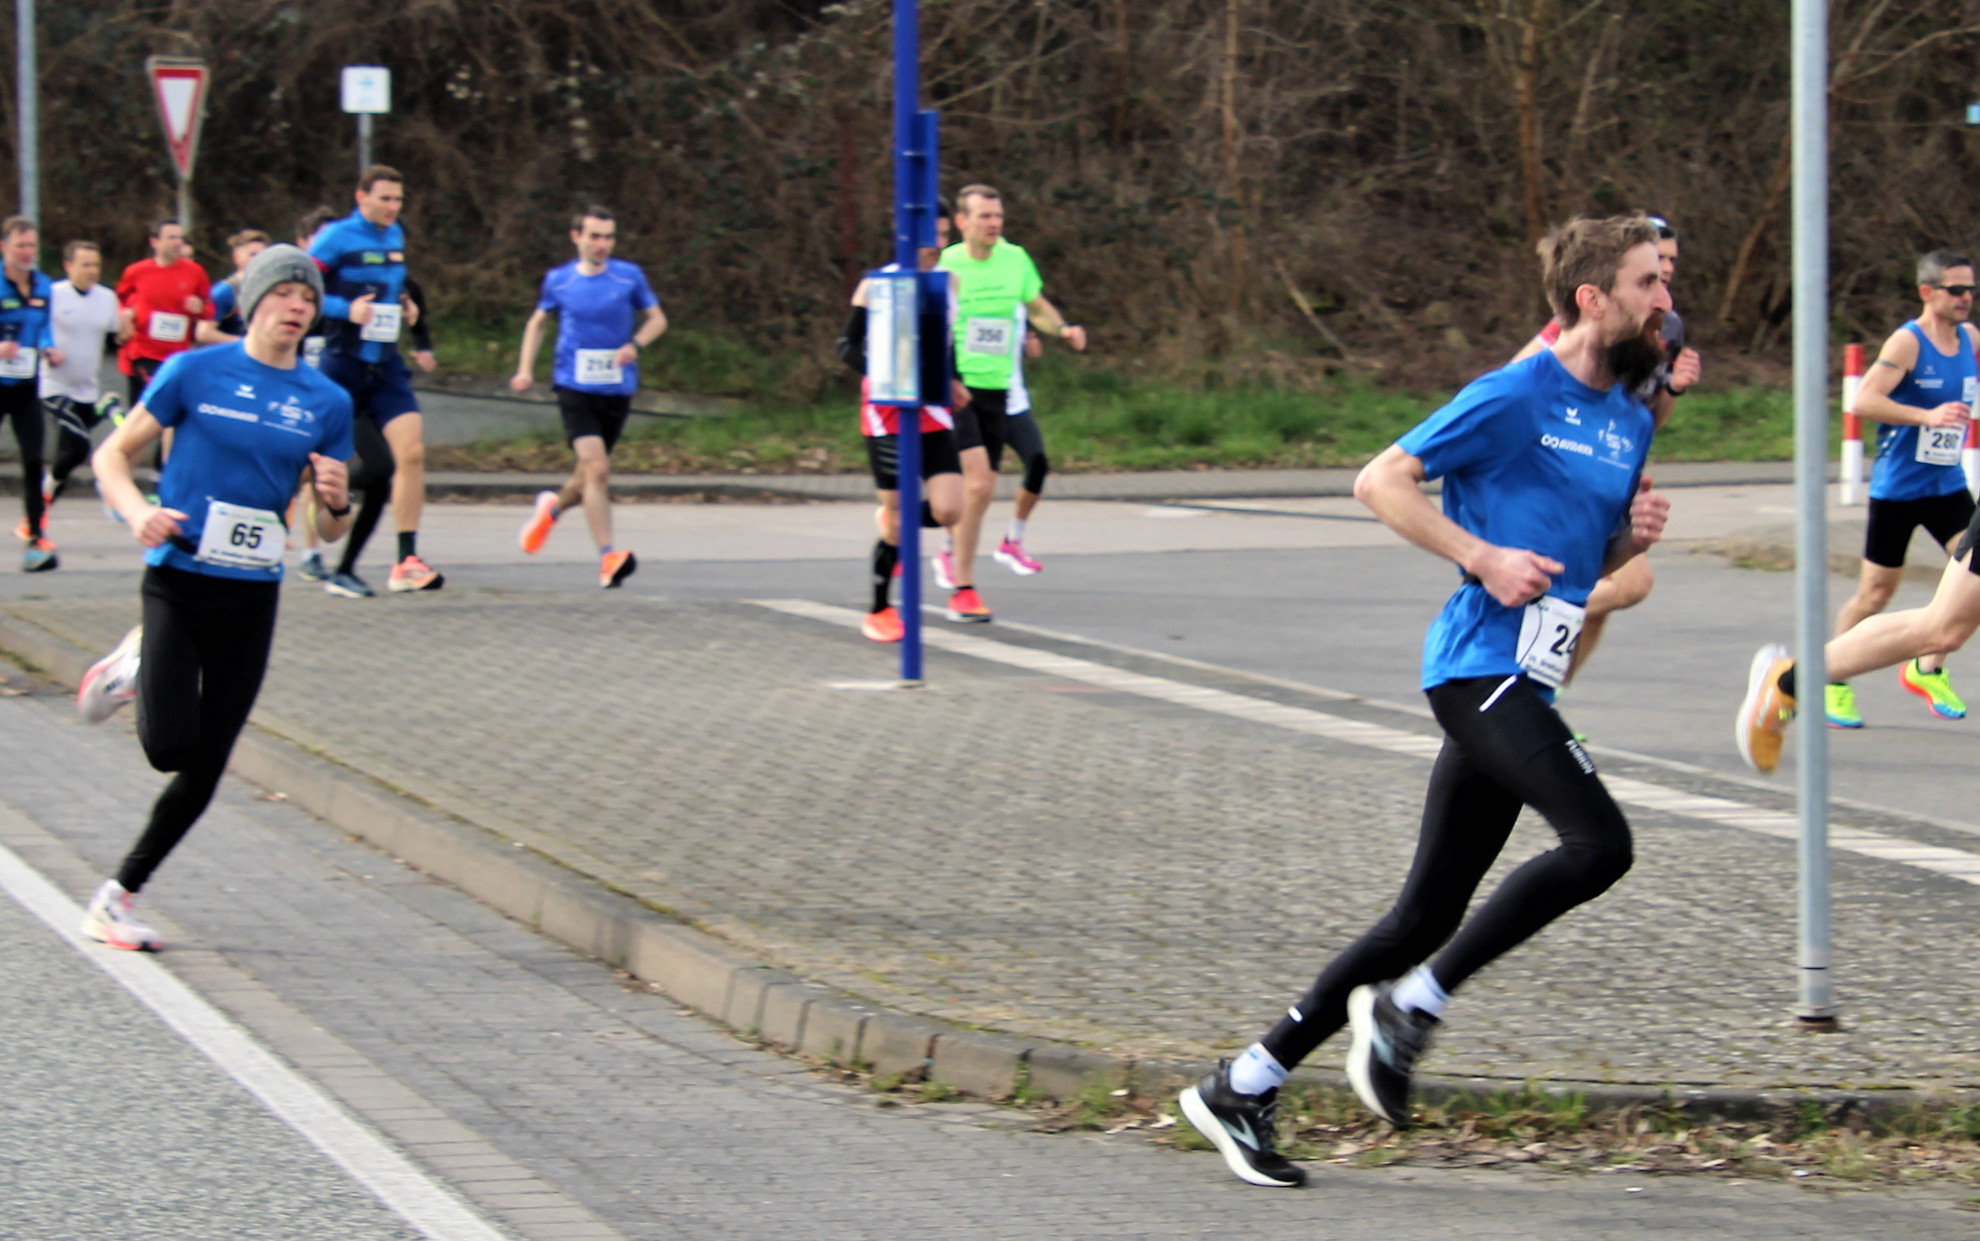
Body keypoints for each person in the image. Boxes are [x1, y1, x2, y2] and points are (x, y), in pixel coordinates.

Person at [1179, 215, 1671, 1188]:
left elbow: (1585, 558)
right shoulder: (1516, 394)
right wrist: (1478, 554)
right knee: (1600, 844)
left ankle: (1243, 1081)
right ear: (1592, 298)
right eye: (1649, 281)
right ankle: (1414, 1006)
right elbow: (1381, 479)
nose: (1666, 299)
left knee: (1418, 918)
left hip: (1526, 674)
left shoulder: (1630, 416)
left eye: (1666, 280)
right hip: (1474, 666)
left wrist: (1629, 539)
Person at [74, 245, 354, 950]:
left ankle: (118, 895)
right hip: (179, 578)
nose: (298, 307)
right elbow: (111, 454)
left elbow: (324, 524)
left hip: (254, 592)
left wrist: (335, 503)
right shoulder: (194, 371)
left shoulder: (327, 401)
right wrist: (136, 511)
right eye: (286, 293)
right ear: (256, 300)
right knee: (170, 747)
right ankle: (129, 665)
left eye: (308, 299)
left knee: (208, 762)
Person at [1510, 214, 1701, 685]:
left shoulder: (1665, 325)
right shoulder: (1591, 320)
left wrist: (1672, 389)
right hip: (1567, 469)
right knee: (1630, 583)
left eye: (1672, 261)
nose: (1668, 269)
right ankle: (1519, 624)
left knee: (1597, 610)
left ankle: (1539, 696)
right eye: (1658, 261)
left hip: (1609, 476)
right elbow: (1518, 375)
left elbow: (1647, 419)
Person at [1820, 250, 1978, 728]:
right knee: (1875, 594)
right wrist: (1926, 416)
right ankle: (1829, 680)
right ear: (1927, 292)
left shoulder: (1970, 338)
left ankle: (1926, 667)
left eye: (1971, 289)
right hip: (1899, 491)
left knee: (1969, 589)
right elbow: (1863, 399)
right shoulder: (1908, 343)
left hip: (1947, 485)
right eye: (1956, 290)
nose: (1966, 298)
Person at [934, 184, 1087, 622]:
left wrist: (1061, 329)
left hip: (999, 390)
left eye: (998, 215)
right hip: (957, 387)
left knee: (975, 496)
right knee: (979, 485)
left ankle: (935, 539)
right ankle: (963, 589)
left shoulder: (1015, 259)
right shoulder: (946, 264)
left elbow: (1035, 305)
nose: (994, 223)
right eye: (984, 216)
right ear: (962, 222)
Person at [511, 206, 667, 588]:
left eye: (608, 237)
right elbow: (537, 322)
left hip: (616, 389)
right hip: (573, 386)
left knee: (586, 478)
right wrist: (525, 369)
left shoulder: (628, 276)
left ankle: (552, 509)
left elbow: (658, 319)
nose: (602, 244)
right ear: (576, 237)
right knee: (597, 470)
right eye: (594, 236)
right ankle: (608, 558)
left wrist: (635, 344)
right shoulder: (559, 281)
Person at [309, 165, 442, 596]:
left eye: (398, 200)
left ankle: (406, 560)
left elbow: (395, 287)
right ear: (361, 196)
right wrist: (345, 310)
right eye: (384, 199)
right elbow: (302, 288)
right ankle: (326, 536)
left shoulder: (395, 236)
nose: (392, 208)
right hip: (342, 368)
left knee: (412, 454)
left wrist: (405, 308)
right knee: (370, 467)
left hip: (385, 367)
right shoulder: (335, 237)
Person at [837, 204, 968, 641]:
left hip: (931, 409)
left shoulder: (949, 283)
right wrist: (888, 369)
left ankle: (901, 518)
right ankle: (878, 609)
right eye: (936, 236)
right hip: (886, 412)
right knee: (895, 521)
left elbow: (944, 343)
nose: (941, 246)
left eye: (947, 235)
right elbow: (846, 346)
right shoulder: (877, 284)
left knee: (951, 508)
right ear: (909, 235)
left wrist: (953, 379)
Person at [40, 240, 126, 522]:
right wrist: (47, 349)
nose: (92, 270)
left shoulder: (106, 298)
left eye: (96, 265)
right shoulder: (53, 294)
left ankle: (41, 502)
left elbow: (118, 337)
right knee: (78, 446)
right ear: (68, 266)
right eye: (85, 264)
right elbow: (35, 328)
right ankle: (101, 488)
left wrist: (128, 329)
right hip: (53, 385)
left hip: (86, 389)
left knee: (69, 456)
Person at [0, 217, 61, 570]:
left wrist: (48, 348)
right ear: (4, 248)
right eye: (20, 246)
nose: (27, 252)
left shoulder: (42, 285)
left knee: (34, 460)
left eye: (32, 246)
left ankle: (36, 537)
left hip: (25, 386)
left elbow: (44, 326)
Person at [115, 220, 209, 407]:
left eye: (180, 238)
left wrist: (200, 309)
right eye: (171, 237)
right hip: (144, 353)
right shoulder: (136, 272)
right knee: (153, 407)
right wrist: (125, 315)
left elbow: (209, 309)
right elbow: (119, 300)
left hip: (177, 356)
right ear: (154, 242)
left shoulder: (195, 272)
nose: (177, 242)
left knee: (168, 415)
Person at [194, 229, 271, 345]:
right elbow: (203, 332)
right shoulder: (225, 291)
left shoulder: (270, 289)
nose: (259, 260)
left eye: (263, 256)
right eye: (253, 255)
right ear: (237, 258)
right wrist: (243, 343)